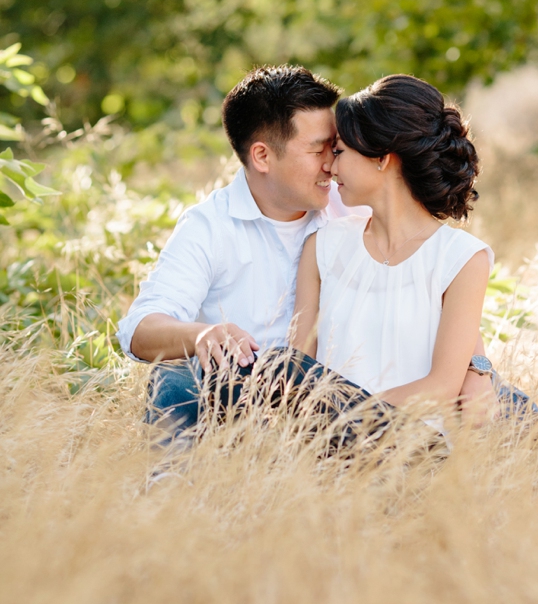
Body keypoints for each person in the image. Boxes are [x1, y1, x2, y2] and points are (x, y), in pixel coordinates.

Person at [116, 64, 497, 440]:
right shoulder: (211, 227)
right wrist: (202, 335)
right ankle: (170, 484)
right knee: (176, 381)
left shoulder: (352, 199)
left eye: (338, 148)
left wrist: (476, 367)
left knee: (506, 404)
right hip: (271, 390)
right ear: (263, 157)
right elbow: (140, 328)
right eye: (319, 150)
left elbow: (429, 275)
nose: (330, 166)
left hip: (369, 396)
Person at [289, 74, 498, 422]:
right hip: (321, 448)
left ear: (382, 159)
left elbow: (441, 387)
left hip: (415, 446)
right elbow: (298, 368)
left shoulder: (462, 258)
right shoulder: (322, 246)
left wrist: (342, 418)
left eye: (339, 152)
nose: (330, 165)